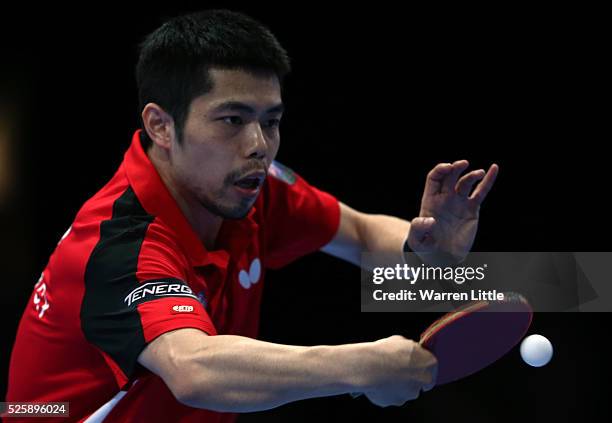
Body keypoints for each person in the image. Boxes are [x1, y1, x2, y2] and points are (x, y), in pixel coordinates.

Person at [6, 9, 498, 422]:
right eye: (233, 120)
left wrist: (427, 253)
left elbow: (363, 233)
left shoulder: (249, 187)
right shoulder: (117, 244)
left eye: (271, 121)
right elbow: (193, 368)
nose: (258, 146)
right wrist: (363, 366)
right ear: (160, 125)